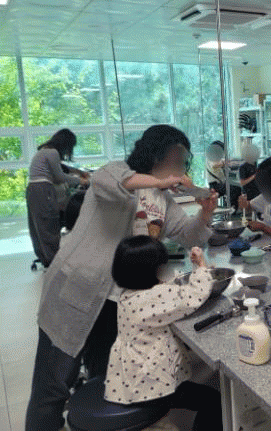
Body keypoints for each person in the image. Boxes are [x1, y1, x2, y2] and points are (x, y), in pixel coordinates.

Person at [26, 124, 218, 431]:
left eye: (185, 162)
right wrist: (161, 181)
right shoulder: (116, 171)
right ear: (157, 154)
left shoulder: (161, 200)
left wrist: (205, 213)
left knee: (105, 380)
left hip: (118, 304)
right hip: (76, 292)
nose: (182, 169)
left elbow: (188, 235)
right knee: (53, 387)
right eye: (179, 160)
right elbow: (111, 183)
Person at [105, 237, 223, 431]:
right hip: (151, 386)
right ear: (148, 272)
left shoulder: (127, 294)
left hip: (131, 378)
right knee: (213, 401)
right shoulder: (152, 297)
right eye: (161, 267)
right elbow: (193, 296)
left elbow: (164, 294)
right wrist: (202, 266)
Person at [26, 129, 89, 268]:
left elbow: (61, 168)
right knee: (49, 225)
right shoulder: (52, 152)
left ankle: (46, 259)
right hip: (43, 190)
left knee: (38, 227)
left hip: (32, 189)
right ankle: (55, 263)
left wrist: (78, 172)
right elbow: (59, 177)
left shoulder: (44, 151)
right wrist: (81, 181)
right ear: (66, 144)